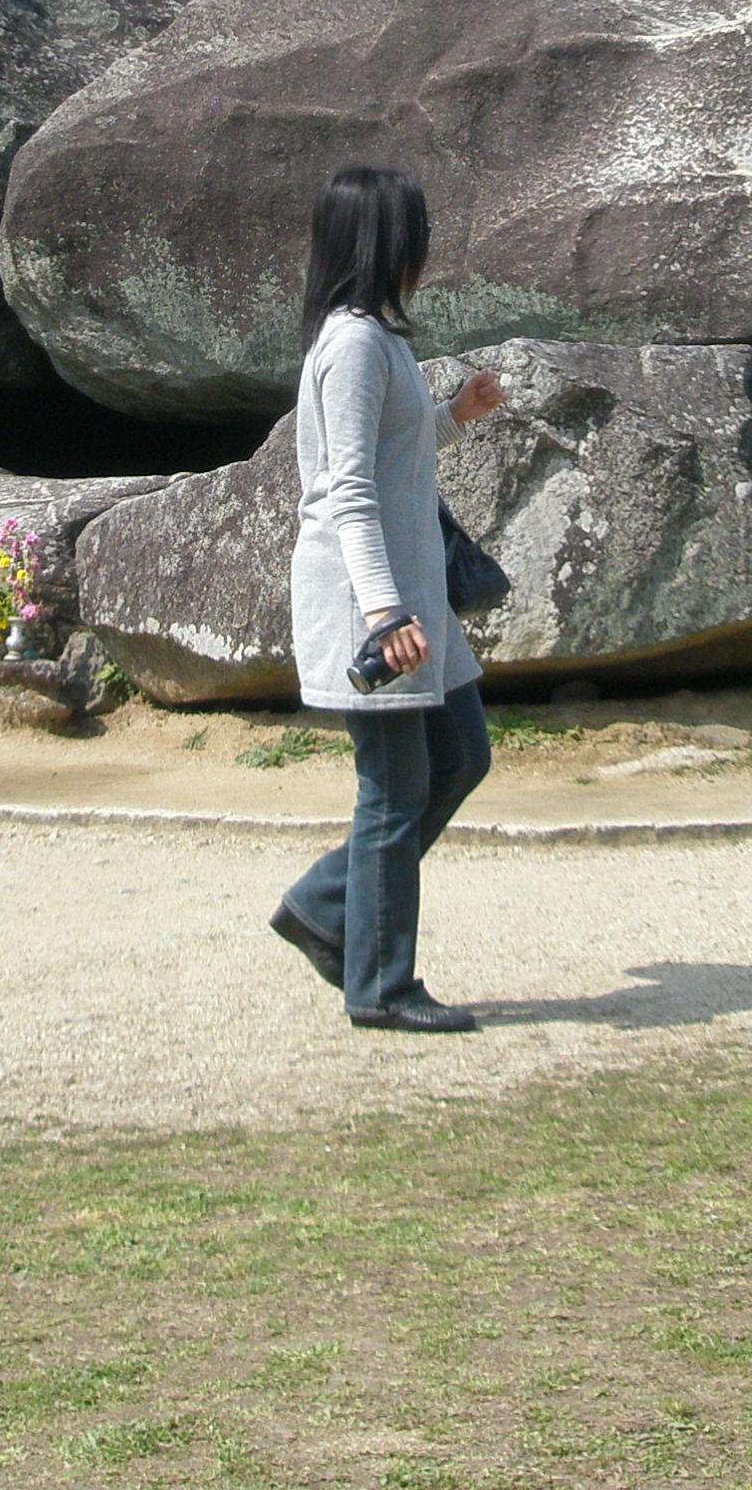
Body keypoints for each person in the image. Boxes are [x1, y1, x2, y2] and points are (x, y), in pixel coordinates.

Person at [267, 164, 508, 1033]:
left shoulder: (379, 338)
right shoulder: (354, 345)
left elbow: (391, 453)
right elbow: (346, 490)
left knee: (461, 758)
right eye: (417, 232)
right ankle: (379, 986)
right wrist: (382, 613)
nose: (425, 249)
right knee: (395, 794)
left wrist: (453, 416)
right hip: (375, 603)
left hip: (412, 596)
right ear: (385, 242)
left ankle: (325, 908)